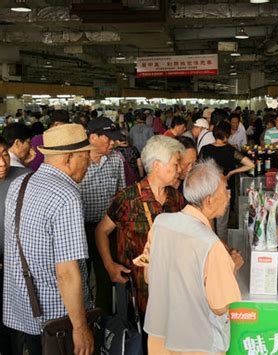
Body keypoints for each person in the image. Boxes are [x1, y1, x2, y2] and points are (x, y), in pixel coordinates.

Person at [4, 124, 96, 355]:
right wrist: (80, 327)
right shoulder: (66, 197)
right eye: (86, 156)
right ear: (68, 159)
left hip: (22, 307)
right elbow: (67, 272)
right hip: (57, 319)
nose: (91, 162)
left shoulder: (20, 184)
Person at [145, 159, 243, 354]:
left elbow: (148, 275)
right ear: (209, 200)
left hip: (160, 337)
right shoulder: (211, 245)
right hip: (196, 344)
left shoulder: (161, 223)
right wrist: (231, 267)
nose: (229, 195)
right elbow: (220, 307)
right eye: (225, 190)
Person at [96, 136, 185, 332]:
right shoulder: (128, 198)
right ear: (157, 165)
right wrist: (110, 266)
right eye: (175, 164)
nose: (179, 169)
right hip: (137, 290)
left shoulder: (175, 197)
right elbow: (102, 230)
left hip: (171, 286)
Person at [80, 117, 126, 313]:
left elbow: (121, 194)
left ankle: (104, 325)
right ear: (93, 137)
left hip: (108, 230)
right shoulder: (78, 162)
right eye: (109, 139)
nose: (113, 143)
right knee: (80, 281)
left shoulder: (116, 159)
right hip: (81, 231)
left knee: (106, 278)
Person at [199, 121, 254, 243]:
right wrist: (231, 173)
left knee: (208, 220)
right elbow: (250, 164)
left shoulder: (205, 149)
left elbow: (198, 169)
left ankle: (209, 248)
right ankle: (222, 250)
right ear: (227, 135)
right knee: (222, 224)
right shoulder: (230, 150)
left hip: (208, 190)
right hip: (224, 190)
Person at [0, 137, 29, 354]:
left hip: (16, 264)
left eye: (3, 154)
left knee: (15, 321)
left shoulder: (24, 179)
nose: (2, 162)